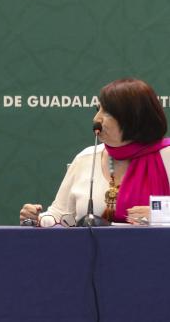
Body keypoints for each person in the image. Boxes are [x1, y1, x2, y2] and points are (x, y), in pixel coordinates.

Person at [20, 78, 170, 226]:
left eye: (108, 113)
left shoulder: (166, 155)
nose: (96, 119)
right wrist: (37, 219)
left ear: (133, 118)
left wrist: (160, 215)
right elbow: (60, 216)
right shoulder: (86, 158)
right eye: (98, 110)